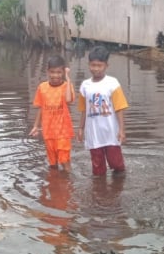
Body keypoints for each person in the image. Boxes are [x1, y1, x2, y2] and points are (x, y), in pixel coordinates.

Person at [77, 46, 129, 177]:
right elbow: (84, 110)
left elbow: (119, 108)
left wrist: (121, 130)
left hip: (110, 133)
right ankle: (100, 192)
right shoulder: (85, 85)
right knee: (98, 169)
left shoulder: (112, 83)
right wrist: (80, 129)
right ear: (89, 65)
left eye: (99, 65)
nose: (96, 69)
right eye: (93, 65)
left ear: (106, 65)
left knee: (117, 164)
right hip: (93, 134)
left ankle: (118, 189)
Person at [29, 55, 75, 172]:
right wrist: (35, 126)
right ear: (47, 72)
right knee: (52, 165)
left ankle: (68, 186)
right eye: (52, 72)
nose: (55, 75)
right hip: (48, 132)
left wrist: (68, 78)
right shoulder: (42, 87)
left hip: (63, 132)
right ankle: (54, 186)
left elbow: (69, 100)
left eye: (59, 72)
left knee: (64, 162)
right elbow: (41, 108)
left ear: (63, 72)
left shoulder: (66, 86)